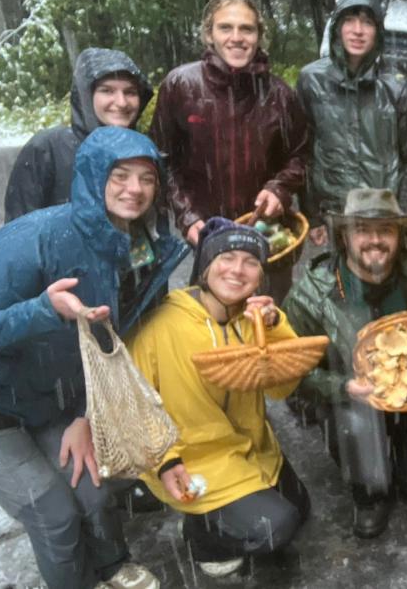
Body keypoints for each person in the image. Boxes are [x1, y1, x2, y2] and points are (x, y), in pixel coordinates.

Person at [0, 127, 188, 589]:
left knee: (92, 489)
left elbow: (111, 344)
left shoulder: (137, 248)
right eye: (120, 175)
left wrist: (84, 414)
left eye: (147, 178)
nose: (135, 189)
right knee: (53, 513)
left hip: (48, 397)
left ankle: (111, 566)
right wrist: (43, 311)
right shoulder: (31, 239)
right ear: (91, 176)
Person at [129, 218, 309, 579]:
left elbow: (281, 387)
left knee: (299, 509)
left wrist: (273, 329)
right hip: (193, 459)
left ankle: (227, 514)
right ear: (205, 267)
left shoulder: (254, 317)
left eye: (251, 261)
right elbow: (131, 403)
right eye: (226, 257)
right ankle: (202, 536)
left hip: (252, 447)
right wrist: (165, 461)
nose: (237, 270)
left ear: (261, 276)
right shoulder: (161, 323)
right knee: (275, 527)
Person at [283, 188, 407, 539]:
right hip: (349, 403)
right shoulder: (311, 295)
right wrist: (341, 386)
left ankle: (399, 449)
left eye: (386, 230)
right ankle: (368, 492)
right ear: (344, 236)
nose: (375, 240)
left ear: (399, 236)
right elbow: (292, 371)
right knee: (356, 431)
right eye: (362, 229)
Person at [150, 0, 309, 298]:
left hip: (266, 238)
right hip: (208, 238)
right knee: (211, 330)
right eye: (226, 27)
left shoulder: (279, 95)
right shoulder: (180, 86)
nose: (237, 37)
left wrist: (280, 188)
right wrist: (187, 216)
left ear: (259, 36)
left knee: (268, 325)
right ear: (209, 34)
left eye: (247, 29)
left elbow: (300, 157)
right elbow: (160, 161)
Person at [297, 0, 407, 248]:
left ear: (378, 32)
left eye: (367, 22)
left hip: (383, 216)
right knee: (338, 283)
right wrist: (312, 216)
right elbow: (304, 154)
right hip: (335, 214)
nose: (358, 30)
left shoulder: (399, 89)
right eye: (349, 20)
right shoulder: (311, 80)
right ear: (337, 27)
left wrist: (401, 213)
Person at [4, 48, 154, 221]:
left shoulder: (141, 151)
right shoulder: (49, 148)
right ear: (86, 96)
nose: (121, 102)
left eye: (130, 92)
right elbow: (18, 229)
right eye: (107, 90)